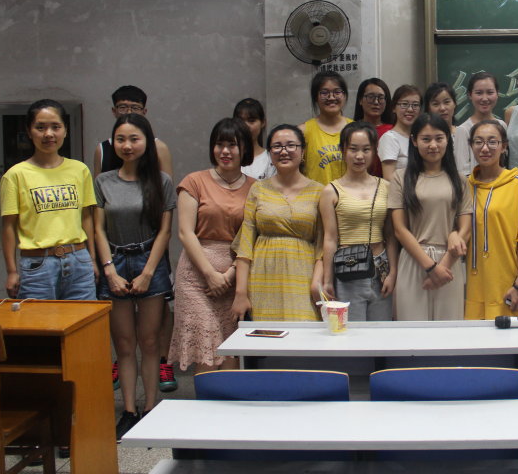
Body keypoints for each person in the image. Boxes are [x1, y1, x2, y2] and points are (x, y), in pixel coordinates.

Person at [93, 113, 175, 440]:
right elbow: (98, 230)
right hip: (114, 262)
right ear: (113, 142)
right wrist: (108, 270)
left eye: (134, 139)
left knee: (150, 341)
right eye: (121, 139)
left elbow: (165, 231)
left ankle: (151, 408)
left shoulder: (161, 181)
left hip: (149, 261)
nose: (127, 145)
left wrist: (148, 272)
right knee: (124, 344)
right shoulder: (103, 182)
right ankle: (128, 410)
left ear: (146, 142)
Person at [169, 118, 255, 373]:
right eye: (219, 144)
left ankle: (229, 400)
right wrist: (210, 274)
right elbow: (185, 233)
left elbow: (253, 237)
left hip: (235, 277)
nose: (225, 151)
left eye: (232, 145)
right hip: (196, 278)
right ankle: (206, 398)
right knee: (205, 353)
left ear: (244, 149)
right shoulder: (194, 181)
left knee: (230, 351)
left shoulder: (256, 188)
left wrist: (229, 275)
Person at [0, 99, 97, 301]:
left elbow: (86, 217)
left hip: (79, 261)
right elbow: (8, 226)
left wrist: (93, 259)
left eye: (56, 127)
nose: (49, 134)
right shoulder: (15, 175)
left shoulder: (80, 170)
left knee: (84, 320)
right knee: (40, 321)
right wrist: (11, 271)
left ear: (65, 130)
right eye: (40, 127)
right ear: (29, 132)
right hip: (37, 266)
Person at [232, 124, 323, 321]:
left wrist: (317, 282)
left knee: (303, 332)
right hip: (262, 275)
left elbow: (323, 245)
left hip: (304, 276)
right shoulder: (258, 189)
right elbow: (245, 245)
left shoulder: (319, 191)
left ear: (302, 151)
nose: (284, 151)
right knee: (266, 335)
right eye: (277, 146)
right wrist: (240, 293)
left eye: (291, 145)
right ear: (270, 153)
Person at [389, 114, 472, 321]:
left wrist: (443, 266)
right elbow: (400, 229)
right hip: (414, 260)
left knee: (448, 331)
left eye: (439, 138)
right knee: (412, 329)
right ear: (414, 141)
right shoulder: (401, 177)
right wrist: (431, 267)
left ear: (448, 140)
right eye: (426, 139)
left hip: (450, 261)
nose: (433, 145)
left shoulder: (459, 180)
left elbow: (466, 229)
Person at [319, 122, 397, 321]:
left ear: (375, 151)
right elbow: (330, 238)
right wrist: (327, 280)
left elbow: (390, 235)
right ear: (343, 150)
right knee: (351, 333)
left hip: (381, 268)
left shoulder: (386, 187)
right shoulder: (331, 191)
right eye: (353, 149)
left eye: (366, 149)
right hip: (348, 268)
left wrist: (393, 272)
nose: (359, 156)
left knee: (381, 331)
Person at [465, 120, 518, 320]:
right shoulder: (465, 185)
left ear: (504, 146)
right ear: (471, 146)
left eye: (492, 142)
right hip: (471, 281)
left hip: (505, 281)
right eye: (478, 142)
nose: (485, 148)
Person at [94, 85, 173, 177]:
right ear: (114, 111)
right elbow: (98, 184)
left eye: (135, 108)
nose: (129, 112)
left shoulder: (159, 147)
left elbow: (167, 184)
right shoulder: (102, 149)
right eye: (123, 107)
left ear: (144, 112)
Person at [302, 72, 352, 186]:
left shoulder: (356, 130)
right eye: (324, 93)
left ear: (344, 95)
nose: (331, 97)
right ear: (315, 97)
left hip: (350, 196)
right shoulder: (304, 131)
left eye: (337, 92)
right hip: (315, 196)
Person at [455, 72, 501, 177]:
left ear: (497, 94)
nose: (484, 98)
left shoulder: (502, 126)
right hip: (475, 185)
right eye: (479, 93)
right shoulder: (463, 130)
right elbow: (462, 172)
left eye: (490, 92)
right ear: (470, 95)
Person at [379, 84, 422, 181]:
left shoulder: (421, 137)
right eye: (404, 104)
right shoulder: (389, 138)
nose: (410, 109)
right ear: (394, 108)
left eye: (415, 105)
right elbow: (389, 178)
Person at [353, 78, 394, 177]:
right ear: (360, 100)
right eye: (371, 97)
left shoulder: (393, 131)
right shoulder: (352, 130)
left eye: (381, 97)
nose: (376, 102)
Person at [424, 82, 463, 176]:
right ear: (428, 108)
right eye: (435, 104)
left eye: (447, 102)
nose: (442, 108)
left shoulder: (463, 133)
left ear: (454, 104)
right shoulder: (424, 137)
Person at [233, 98, 276, 180]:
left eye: (251, 120)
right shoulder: (227, 155)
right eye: (240, 121)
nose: (245, 126)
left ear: (263, 122)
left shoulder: (270, 159)